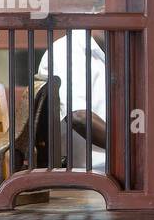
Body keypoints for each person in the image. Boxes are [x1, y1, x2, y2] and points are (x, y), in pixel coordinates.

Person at [37, 29, 108, 171]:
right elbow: (79, 117)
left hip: (118, 169)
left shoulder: (119, 50)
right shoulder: (67, 50)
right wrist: (132, 148)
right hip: (88, 172)